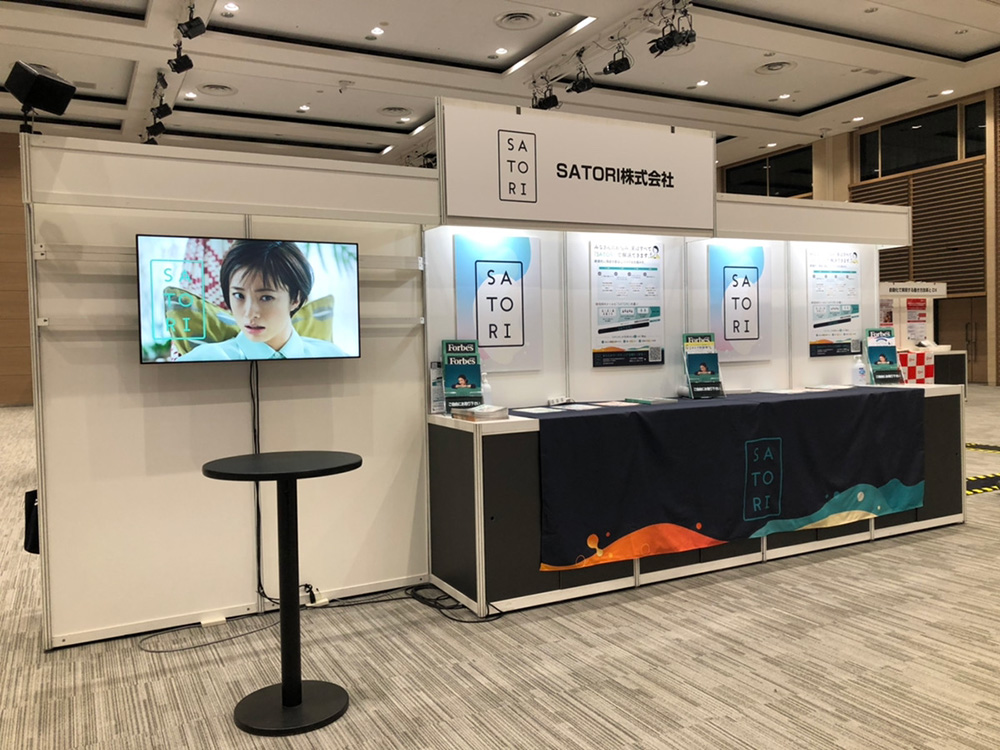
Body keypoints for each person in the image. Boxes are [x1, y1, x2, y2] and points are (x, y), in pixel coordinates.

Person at [179, 240, 345, 360]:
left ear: (296, 298)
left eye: (266, 298)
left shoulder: (332, 357)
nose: (249, 313)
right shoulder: (201, 361)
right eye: (239, 296)